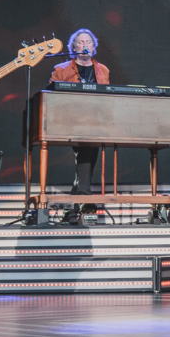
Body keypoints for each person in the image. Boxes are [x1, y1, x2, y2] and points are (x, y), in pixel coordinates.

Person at [48, 29, 110, 216]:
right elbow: (51, 95)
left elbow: (108, 96)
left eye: (88, 42)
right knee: (86, 148)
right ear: (73, 47)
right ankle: (85, 197)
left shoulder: (103, 69)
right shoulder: (61, 69)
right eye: (81, 42)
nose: (85, 45)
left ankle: (74, 205)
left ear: (93, 46)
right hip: (71, 120)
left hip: (96, 121)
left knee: (89, 154)